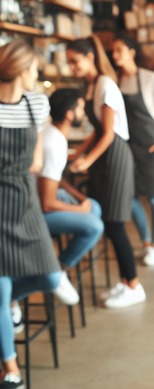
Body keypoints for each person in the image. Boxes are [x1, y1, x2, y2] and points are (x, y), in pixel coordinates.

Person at [0, 40, 61, 389]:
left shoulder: (36, 103)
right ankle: (11, 370)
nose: (37, 76)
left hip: (23, 199)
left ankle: (11, 304)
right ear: (22, 70)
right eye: (35, 69)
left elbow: (36, 161)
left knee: (51, 275)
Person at [66, 36, 146, 308]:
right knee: (109, 224)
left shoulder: (105, 85)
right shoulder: (91, 86)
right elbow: (98, 130)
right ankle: (125, 282)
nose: (71, 67)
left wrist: (86, 161)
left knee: (114, 224)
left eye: (74, 61)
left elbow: (110, 135)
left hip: (114, 156)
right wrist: (79, 153)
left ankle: (134, 285)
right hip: (103, 156)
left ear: (90, 58)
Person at [38, 88, 104, 304]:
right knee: (95, 226)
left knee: (93, 206)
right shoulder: (55, 143)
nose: (84, 113)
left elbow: (55, 180)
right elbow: (47, 203)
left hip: (45, 198)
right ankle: (57, 270)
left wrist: (80, 199)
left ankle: (59, 268)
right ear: (69, 113)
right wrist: (78, 209)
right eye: (81, 108)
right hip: (38, 214)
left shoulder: (51, 133)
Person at [112, 35, 154, 266]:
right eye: (113, 52)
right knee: (130, 197)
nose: (115, 55)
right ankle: (146, 243)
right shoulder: (114, 80)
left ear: (131, 52)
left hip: (151, 145)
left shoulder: (149, 78)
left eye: (119, 50)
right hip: (127, 148)